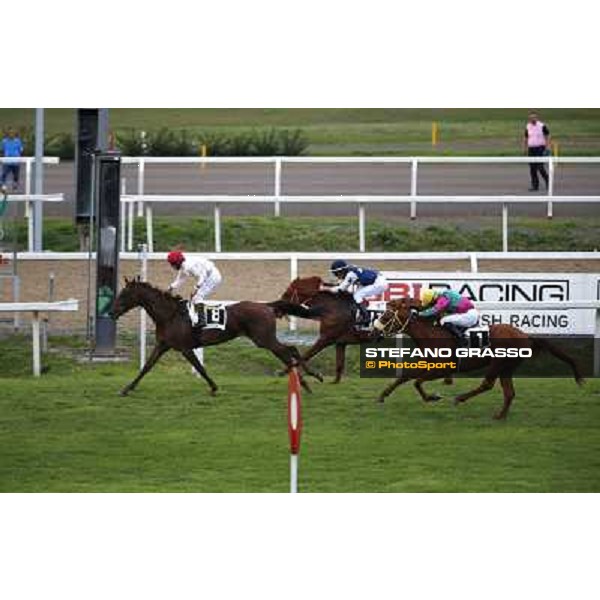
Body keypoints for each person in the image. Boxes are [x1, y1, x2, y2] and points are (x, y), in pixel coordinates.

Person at [166, 250, 222, 328]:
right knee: (195, 298)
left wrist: (195, 289)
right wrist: (170, 288)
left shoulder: (189, 266)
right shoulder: (183, 266)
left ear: (177, 262)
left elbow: (202, 277)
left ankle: (202, 320)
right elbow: (180, 279)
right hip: (208, 276)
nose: (172, 267)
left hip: (212, 276)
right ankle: (198, 318)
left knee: (197, 296)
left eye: (172, 264)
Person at [324, 259, 388, 326]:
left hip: (379, 283)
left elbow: (341, 288)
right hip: (374, 281)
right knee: (357, 294)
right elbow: (340, 284)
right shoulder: (349, 271)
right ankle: (363, 313)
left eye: (336, 273)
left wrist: (326, 289)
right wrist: (328, 285)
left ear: (342, 271)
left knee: (357, 295)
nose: (336, 276)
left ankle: (366, 317)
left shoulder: (351, 274)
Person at [523, 112, 551, 191]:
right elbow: (525, 137)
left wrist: (547, 147)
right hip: (531, 149)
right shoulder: (528, 126)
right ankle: (535, 186)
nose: (532, 119)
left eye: (534, 117)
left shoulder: (542, 126)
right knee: (532, 168)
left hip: (540, 148)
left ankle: (548, 182)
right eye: (531, 118)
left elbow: (548, 136)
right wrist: (525, 148)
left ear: (537, 118)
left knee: (540, 167)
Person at [1, 128, 24, 192]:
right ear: (7, 134)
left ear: (14, 134)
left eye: (12, 133)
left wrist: (18, 156)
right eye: (10, 133)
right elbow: (2, 150)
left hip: (15, 162)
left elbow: (21, 150)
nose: (11, 134)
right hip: (7, 162)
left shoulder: (18, 141)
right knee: (4, 174)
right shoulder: (4, 141)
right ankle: (3, 187)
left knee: (16, 176)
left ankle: (15, 187)